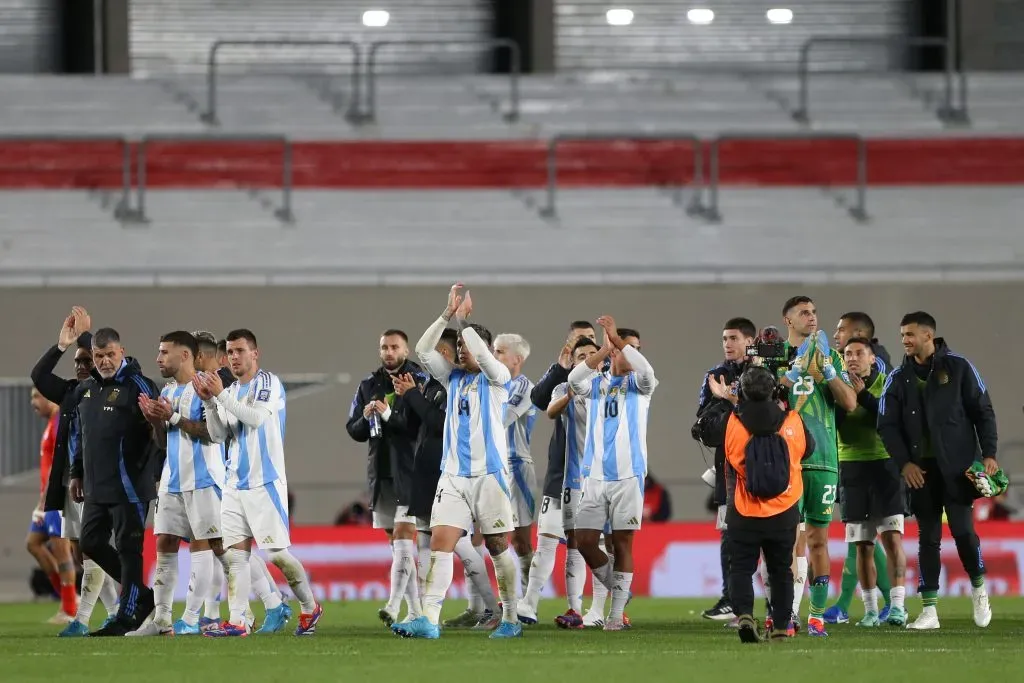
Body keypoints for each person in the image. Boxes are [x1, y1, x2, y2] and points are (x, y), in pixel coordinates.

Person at [393, 283, 522, 640]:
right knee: (440, 544)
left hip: (490, 475)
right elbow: (422, 349)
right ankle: (429, 621)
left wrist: (466, 325)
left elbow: (484, 356)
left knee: (497, 547)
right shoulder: (452, 379)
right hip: (453, 477)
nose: (459, 352)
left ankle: (510, 618)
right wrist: (448, 315)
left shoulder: (499, 379)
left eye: (465, 347)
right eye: (459, 347)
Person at [196, 328, 323, 637]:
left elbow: (256, 419)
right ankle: (238, 621)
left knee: (277, 554)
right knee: (236, 556)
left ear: (255, 353)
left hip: (264, 483)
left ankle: (309, 606)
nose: (234, 357)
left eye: (241, 350)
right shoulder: (232, 391)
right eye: (230, 352)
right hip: (234, 485)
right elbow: (216, 435)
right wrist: (212, 404)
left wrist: (221, 395)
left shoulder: (268, 383)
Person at [877, 311, 998, 630]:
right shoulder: (898, 378)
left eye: (910, 335)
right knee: (927, 537)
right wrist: (904, 464)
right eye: (902, 334)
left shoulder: (960, 368)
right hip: (921, 471)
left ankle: (978, 588)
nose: (904, 340)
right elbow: (886, 426)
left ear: (929, 336)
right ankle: (929, 610)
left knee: (962, 532)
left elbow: (983, 412)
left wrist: (990, 454)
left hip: (958, 468)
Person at [700, 366, 815, 643]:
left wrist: (726, 400)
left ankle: (745, 616)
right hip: (784, 509)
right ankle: (779, 626)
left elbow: (707, 434)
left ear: (742, 392)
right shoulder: (793, 421)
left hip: (744, 510)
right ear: (774, 390)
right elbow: (807, 450)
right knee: (781, 571)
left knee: (740, 568)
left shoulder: (733, 423)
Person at [33, 308, 120, 637]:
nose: (83, 366)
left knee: (92, 547)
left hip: (97, 482)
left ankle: (82, 619)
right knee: (83, 550)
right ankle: (115, 613)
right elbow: (38, 376)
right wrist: (61, 346)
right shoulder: (71, 391)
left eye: (90, 360)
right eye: (79, 362)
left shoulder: (107, 388)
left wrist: (87, 336)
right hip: (71, 482)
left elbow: (112, 369)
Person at [68, 327, 160, 636]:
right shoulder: (85, 390)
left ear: (121, 352)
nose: (105, 361)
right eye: (99, 356)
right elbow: (82, 436)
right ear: (92, 357)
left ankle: (127, 614)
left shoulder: (139, 386)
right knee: (91, 543)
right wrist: (76, 473)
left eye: (110, 355)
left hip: (130, 486)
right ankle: (143, 596)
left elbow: (158, 436)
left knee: (127, 549)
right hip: (96, 486)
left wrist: (156, 474)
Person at [773, 296, 856, 637]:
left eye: (814, 312)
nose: (812, 317)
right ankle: (788, 613)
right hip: (786, 460)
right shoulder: (773, 359)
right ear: (787, 320)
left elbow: (850, 402)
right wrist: (790, 375)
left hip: (823, 459)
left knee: (819, 540)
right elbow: (767, 400)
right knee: (788, 541)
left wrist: (830, 373)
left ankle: (817, 616)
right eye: (803, 313)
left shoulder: (831, 356)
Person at [569, 317, 657, 632]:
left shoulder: (641, 387)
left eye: (633, 349)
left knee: (621, 544)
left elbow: (646, 370)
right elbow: (574, 379)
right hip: (593, 476)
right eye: (625, 350)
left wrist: (619, 343)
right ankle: (620, 590)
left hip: (628, 476)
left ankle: (616, 615)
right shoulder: (595, 385)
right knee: (585, 541)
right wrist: (604, 349)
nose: (631, 355)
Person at [346, 329, 428, 628]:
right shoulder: (368, 385)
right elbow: (353, 429)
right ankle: (416, 612)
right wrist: (367, 417)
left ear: (406, 351)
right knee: (396, 542)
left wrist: (389, 414)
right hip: (381, 473)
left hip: (412, 471)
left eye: (394, 347)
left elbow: (419, 425)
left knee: (406, 537)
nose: (389, 352)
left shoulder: (419, 381)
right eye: (384, 347)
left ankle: (393, 606)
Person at [524, 322, 596, 628]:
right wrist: (561, 368)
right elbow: (540, 402)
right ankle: (528, 604)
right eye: (581, 350)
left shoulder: (609, 384)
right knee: (547, 538)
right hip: (562, 472)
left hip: (597, 478)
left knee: (580, 544)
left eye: (594, 345)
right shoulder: (563, 383)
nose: (589, 355)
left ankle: (577, 609)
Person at [832, 337, 908, 627]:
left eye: (859, 353)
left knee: (892, 539)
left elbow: (890, 418)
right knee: (862, 544)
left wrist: (862, 396)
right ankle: (871, 611)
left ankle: (898, 606)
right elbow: (833, 421)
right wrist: (844, 397)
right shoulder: (836, 388)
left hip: (885, 466)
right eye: (847, 353)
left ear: (872, 358)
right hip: (851, 469)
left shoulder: (888, 384)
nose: (852, 358)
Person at [695, 317, 756, 622]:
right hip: (729, 468)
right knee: (729, 535)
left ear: (750, 340)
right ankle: (731, 599)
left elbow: (769, 415)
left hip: (763, 465)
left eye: (733, 338)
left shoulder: (764, 373)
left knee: (770, 536)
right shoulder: (714, 375)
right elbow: (703, 423)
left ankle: (775, 603)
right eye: (724, 339)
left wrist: (729, 400)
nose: (727, 344)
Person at [26, 388, 78, 623]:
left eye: (37, 396)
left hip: (56, 498)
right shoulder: (51, 424)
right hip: (47, 499)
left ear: (50, 396)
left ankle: (69, 609)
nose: (33, 402)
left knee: (62, 551)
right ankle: (68, 598)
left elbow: (59, 468)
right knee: (33, 544)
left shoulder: (59, 423)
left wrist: (42, 502)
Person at [493, 333, 538, 597]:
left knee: (521, 541)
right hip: (489, 467)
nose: (494, 356)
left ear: (517, 359)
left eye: (499, 352)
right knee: (486, 537)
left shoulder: (524, 388)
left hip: (516, 466)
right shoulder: (488, 383)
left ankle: (528, 600)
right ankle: (487, 605)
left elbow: (502, 419)